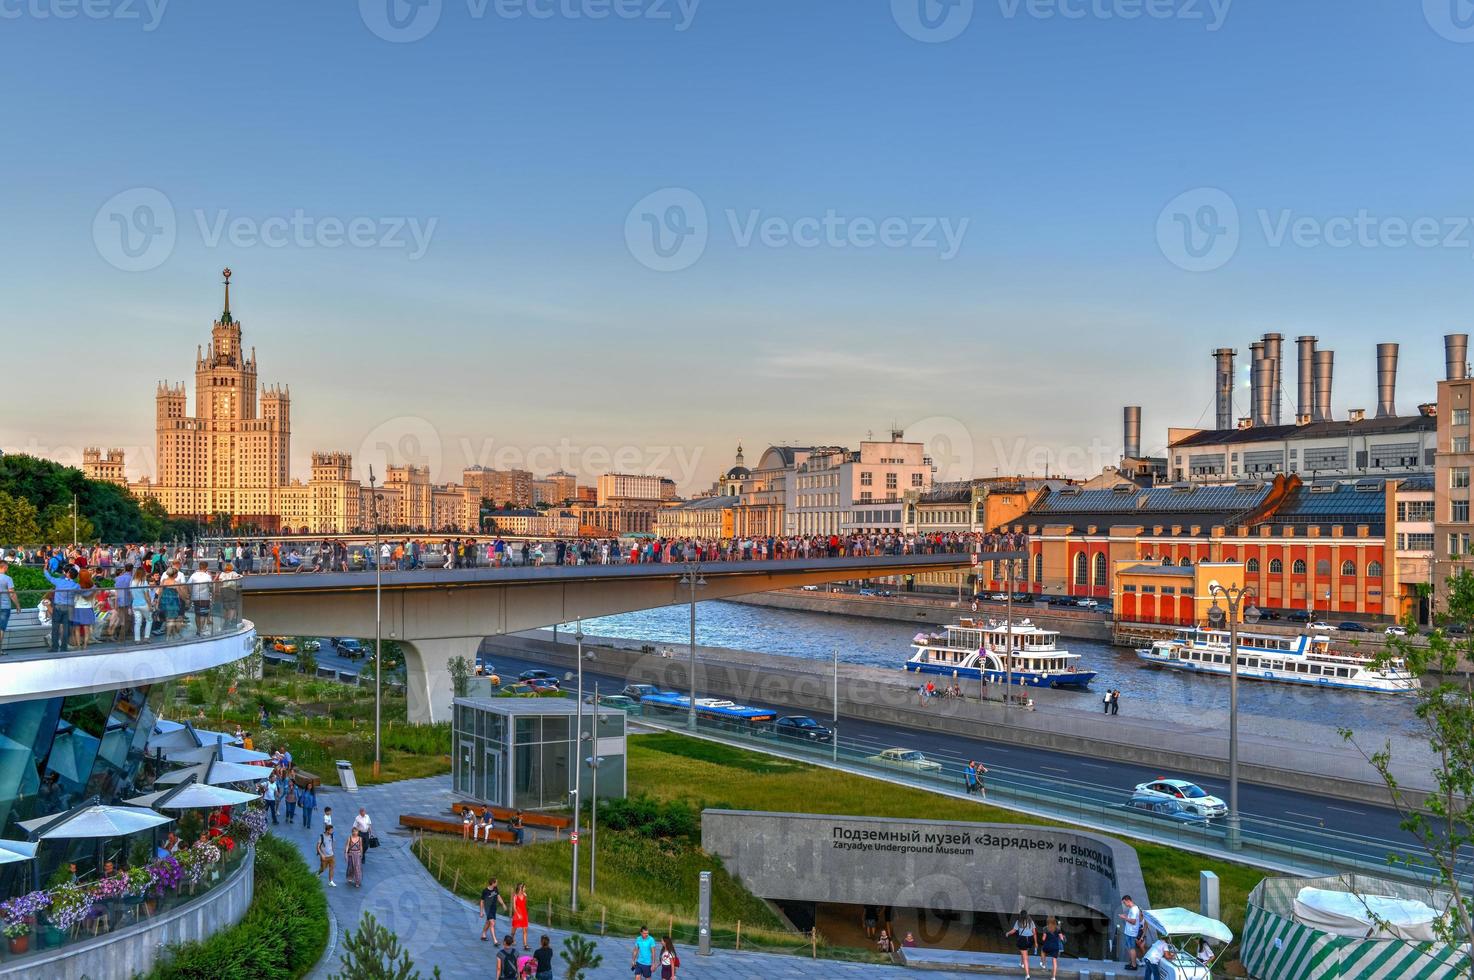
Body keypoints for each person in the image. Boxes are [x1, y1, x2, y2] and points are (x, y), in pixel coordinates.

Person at [1006, 911, 1036, 978]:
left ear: (1021, 915)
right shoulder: (1031, 921)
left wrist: (1008, 933)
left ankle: (1027, 975)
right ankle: (1022, 963)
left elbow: (1013, 931)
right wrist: (1036, 942)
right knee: (1025, 951)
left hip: (1023, 939)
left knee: (1025, 957)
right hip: (1030, 939)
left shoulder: (1018, 922)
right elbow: (1034, 932)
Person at [1119, 895, 1143, 970]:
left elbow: (1133, 921)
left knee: (1132, 949)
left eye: (1124, 902)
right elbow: (1132, 919)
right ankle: (1132, 963)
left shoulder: (1134, 909)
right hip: (1129, 932)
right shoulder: (1133, 908)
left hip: (1131, 933)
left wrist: (1125, 918)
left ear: (1128, 901)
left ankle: (1134, 965)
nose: (1124, 904)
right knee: (1129, 948)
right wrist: (1126, 916)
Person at [480, 876, 507, 942]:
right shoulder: (485, 891)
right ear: (493, 883)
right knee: (492, 923)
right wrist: (481, 911)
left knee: (488, 923)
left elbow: (498, 896)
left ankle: (483, 934)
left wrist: (503, 904)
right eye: (496, 882)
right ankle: (495, 940)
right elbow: (482, 901)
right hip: (488, 908)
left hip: (494, 908)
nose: (497, 883)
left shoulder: (495, 888)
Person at [0, 560, 17, 653]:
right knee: (1, 628)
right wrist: (18, 605)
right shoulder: (8, 579)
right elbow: (12, 594)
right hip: (4, 606)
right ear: (5, 567)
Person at [511, 882, 530, 949]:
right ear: (520, 888)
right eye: (524, 887)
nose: (525, 888)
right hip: (517, 914)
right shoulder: (515, 896)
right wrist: (518, 914)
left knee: (525, 930)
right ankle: (512, 939)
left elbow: (524, 905)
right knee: (514, 929)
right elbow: (514, 907)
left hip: (524, 914)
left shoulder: (525, 895)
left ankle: (525, 945)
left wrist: (525, 895)